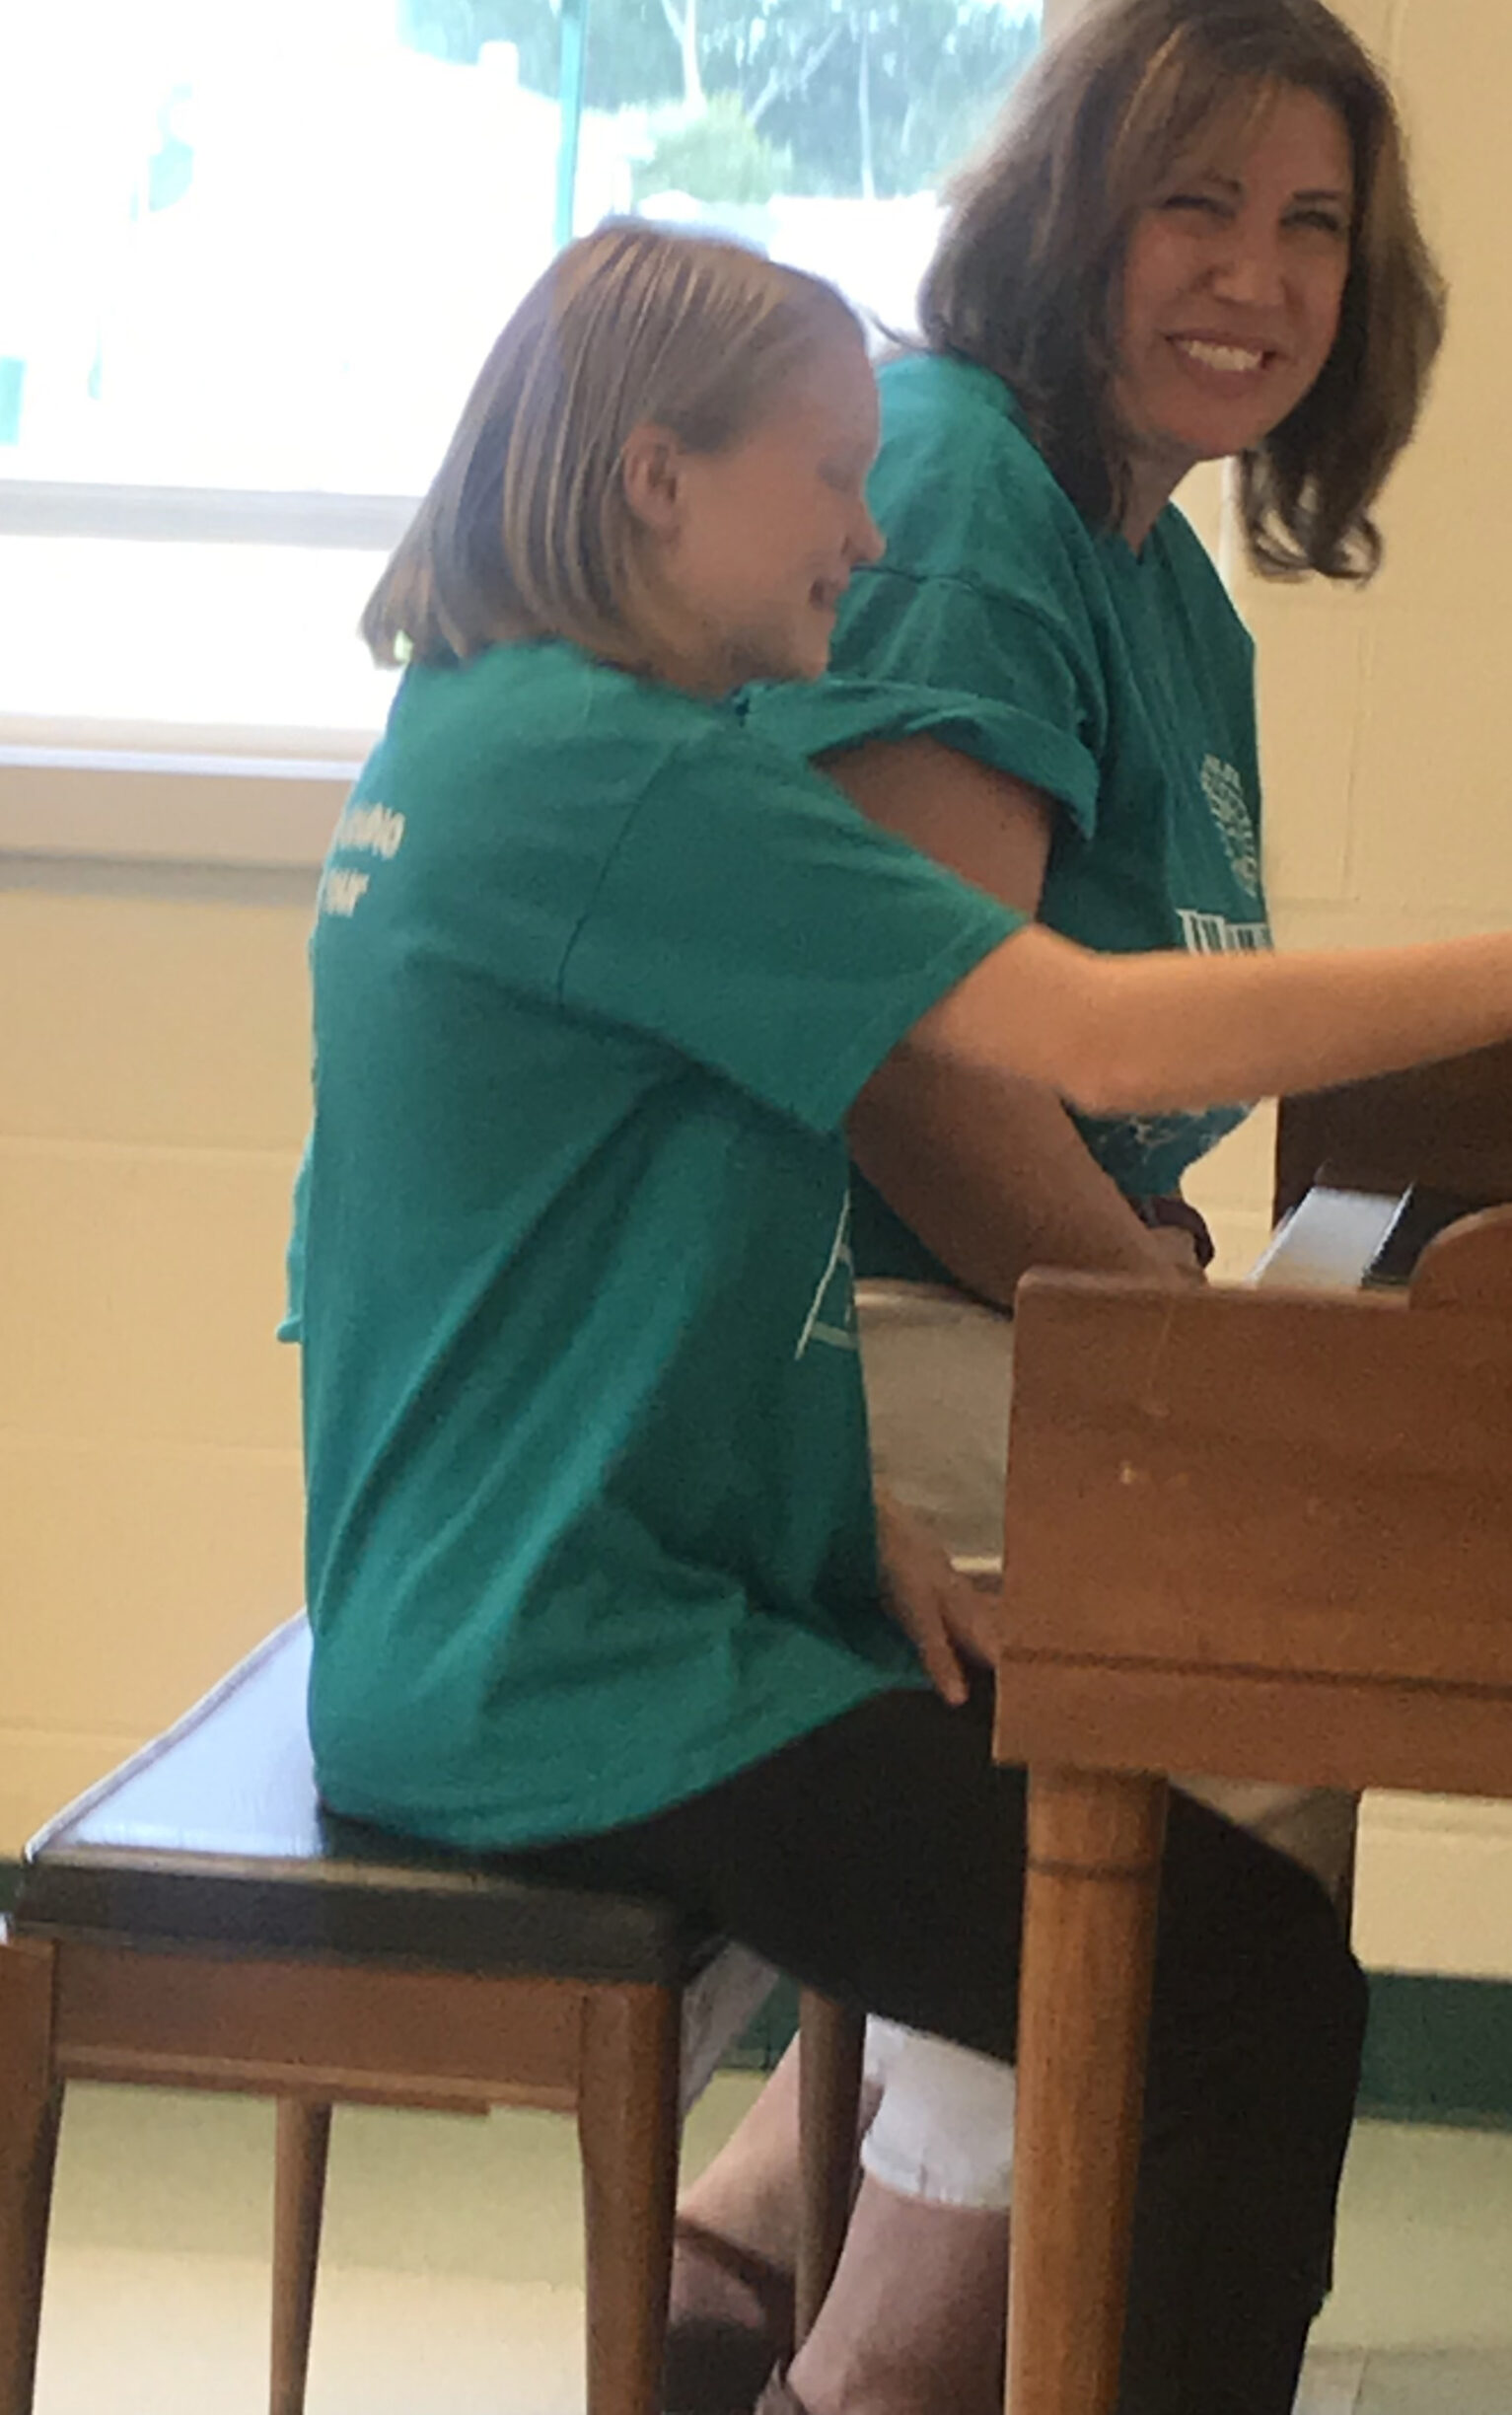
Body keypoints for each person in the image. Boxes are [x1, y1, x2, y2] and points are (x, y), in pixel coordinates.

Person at [288, 217, 1512, 2415]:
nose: (871, 533)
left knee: (1171, 1896)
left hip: (523, 1630)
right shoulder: (631, 777)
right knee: (1231, 1988)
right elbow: (1094, 1032)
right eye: (834, 478)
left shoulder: (485, 733)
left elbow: (501, 1252)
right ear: (655, 477)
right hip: (568, 1684)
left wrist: (840, 1505)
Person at [666, 0, 1450, 2415]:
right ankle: (903, 2356)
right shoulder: (965, 488)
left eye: (1311, 225)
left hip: (974, 1315)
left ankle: (744, 2256)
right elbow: (925, 1062)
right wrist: (1163, 1324)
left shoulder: (1160, 576)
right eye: (1191, 202)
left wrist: (1164, 1288)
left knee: (1278, 1576)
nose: (1255, 274)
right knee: (1231, 1655)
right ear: (1063, 214)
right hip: (819, 1327)